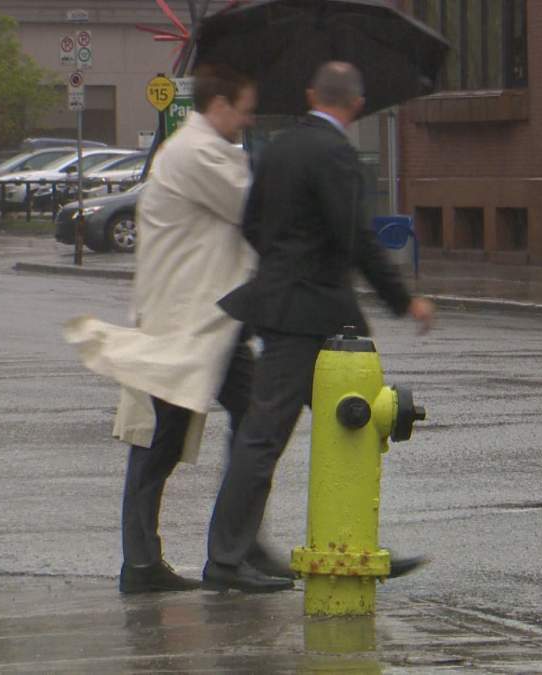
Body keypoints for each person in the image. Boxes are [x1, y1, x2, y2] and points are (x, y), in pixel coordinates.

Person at [203, 61, 435, 593]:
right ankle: (225, 559)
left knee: (348, 424)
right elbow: (355, 237)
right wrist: (405, 301)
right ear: (356, 105)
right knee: (268, 437)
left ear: (312, 94)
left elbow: (252, 222)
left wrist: (285, 267)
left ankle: (349, 543)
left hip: (286, 304)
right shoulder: (336, 154)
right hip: (314, 316)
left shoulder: (279, 145)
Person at [64, 64, 288, 594]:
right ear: (220, 105)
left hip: (210, 317)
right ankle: (160, 560)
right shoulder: (198, 153)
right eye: (246, 106)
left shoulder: (202, 152)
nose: (251, 116)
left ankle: (230, 547)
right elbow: (256, 207)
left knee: (252, 423)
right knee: (165, 439)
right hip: (186, 323)